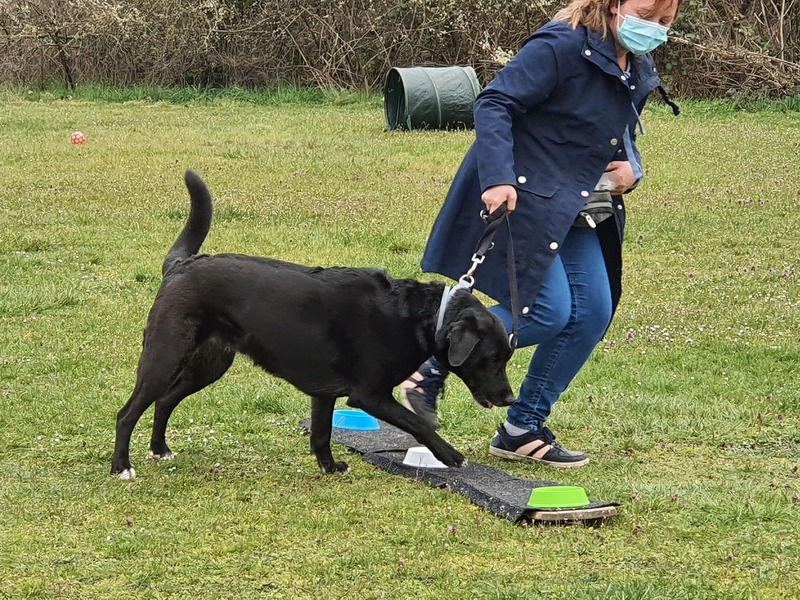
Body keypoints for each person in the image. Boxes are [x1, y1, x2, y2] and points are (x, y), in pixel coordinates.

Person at [399, 0, 682, 467]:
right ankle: (428, 365)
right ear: (613, 4)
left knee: (592, 314)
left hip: (581, 205)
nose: (653, 28)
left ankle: (521, 428)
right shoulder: (560, 46)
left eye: (665, 22)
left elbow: (621, 135)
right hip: (525, 195)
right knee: (549, 312)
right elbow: (494, 103)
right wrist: (497, 178)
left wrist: (633, 169)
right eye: (646, 14)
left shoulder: (637, 62)